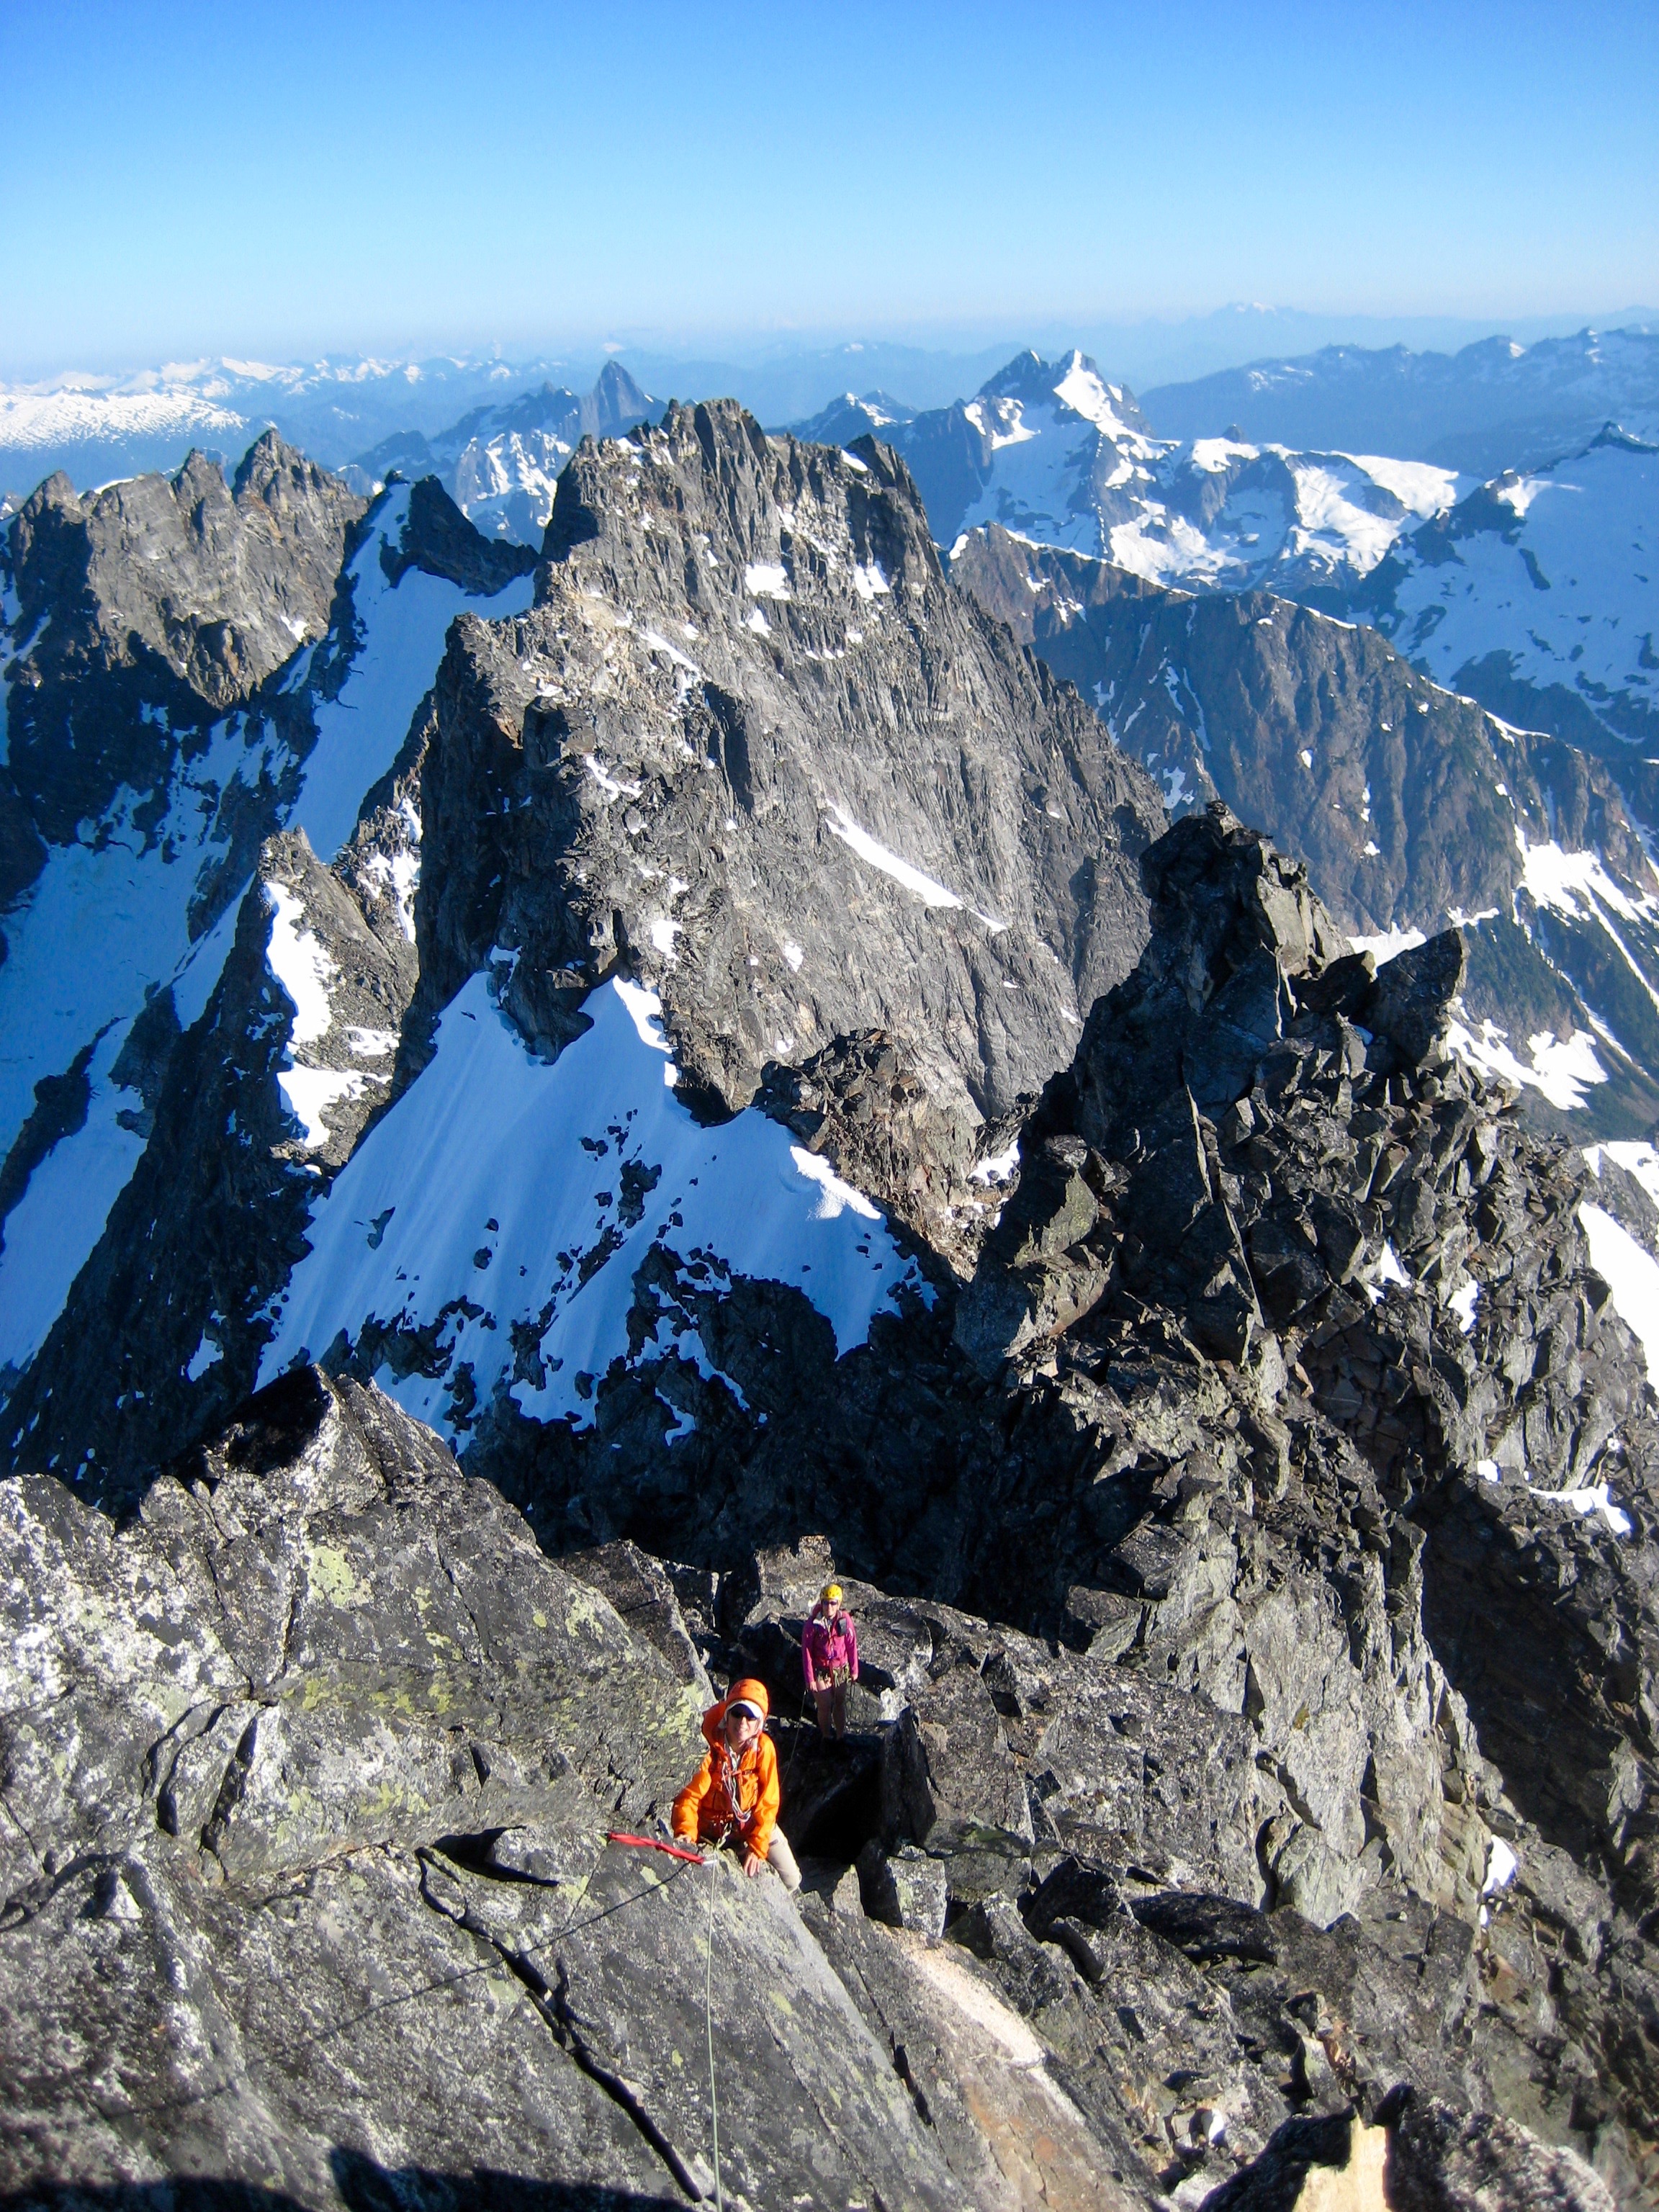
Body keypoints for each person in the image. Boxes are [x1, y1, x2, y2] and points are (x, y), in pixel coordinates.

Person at [672, 1677, 801, 1892]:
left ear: (759, 1722)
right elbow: (690, 1796)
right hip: (711, 1829)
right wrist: (686, 1831)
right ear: (727, 1714)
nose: (743, 1722)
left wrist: (758, 1847)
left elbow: (768, 1803)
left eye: (751, 1717)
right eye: (737, 1713)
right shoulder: (709, 1746)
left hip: (750, 1824)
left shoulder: (763, 1749)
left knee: (792, 1881)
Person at [802, 1582, 859, 1741]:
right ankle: (826, 1736)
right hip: (820, 1669)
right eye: (826, 1602)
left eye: (833, 1603)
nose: (829, 1606)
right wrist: (810, 1679)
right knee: (825, 1705)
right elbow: (806, 1651)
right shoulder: (812, 1624)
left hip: (840, 1667)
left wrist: (854, 1670)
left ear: (839, 1604)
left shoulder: (844, 1620)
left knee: (840, 1703)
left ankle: (840, 1737)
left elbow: (851, 1644)